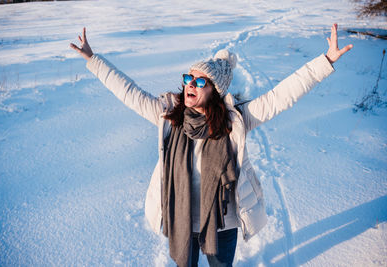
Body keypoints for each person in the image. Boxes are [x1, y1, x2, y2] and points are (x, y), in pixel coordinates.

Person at [70, 24, 352, 267]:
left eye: (199, 80)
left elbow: (281, 96)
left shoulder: (235, 121)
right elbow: (128, 91)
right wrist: (93, 60)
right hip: (180, 219)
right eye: (187, 78)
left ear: (215, 90)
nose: (189, 84)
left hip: (222, 222)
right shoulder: (169, 115)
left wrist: (324, 61)